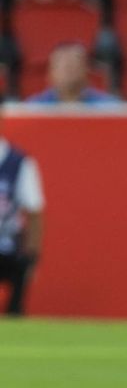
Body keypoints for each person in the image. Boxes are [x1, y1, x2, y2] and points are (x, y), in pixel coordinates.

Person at [0, 117, 44, 316]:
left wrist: (32, 256)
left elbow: (34, 210)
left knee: (14, 311)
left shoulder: (18, 162)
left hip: (8, 249)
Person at [27, 42, 119, 104]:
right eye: (62, 65)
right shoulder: (33, 110)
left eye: (74, 64)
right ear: (50, 73)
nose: (69, 69)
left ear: (86, 71)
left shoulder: (110, 108)